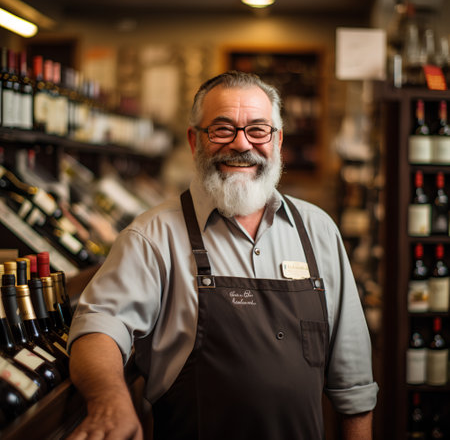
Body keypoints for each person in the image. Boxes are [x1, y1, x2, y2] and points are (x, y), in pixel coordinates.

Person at [67, 70, 378, 440]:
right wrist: (109, 401)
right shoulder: (151, 236)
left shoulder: (318, 231)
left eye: (258, 130)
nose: (241, 144)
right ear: (194, 140)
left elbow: (353, 386)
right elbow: (99, 325)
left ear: (277, 141)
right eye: (222, 129)